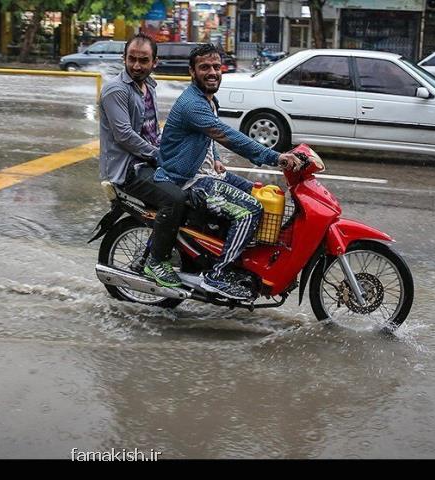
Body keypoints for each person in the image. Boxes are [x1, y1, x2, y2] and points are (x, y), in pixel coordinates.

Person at [156, 43, 302, 300]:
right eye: (204, 67)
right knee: (249, 210)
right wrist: (274, 157)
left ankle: (239, 260)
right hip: (189, 181)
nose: (212, 72)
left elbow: (207, 136)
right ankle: (218, 275)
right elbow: (227, 136)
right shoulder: (192, 103)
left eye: (215, 66)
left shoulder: (209, 100)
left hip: (207, 173)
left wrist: (214, 158)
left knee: (261, 195)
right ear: (192, 71)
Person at [99, 33, 188, 288]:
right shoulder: (116, 90)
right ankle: (156, 262)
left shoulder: (149, 85)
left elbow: (151, 130)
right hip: (128, 169)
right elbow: (124, 135)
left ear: (154, 62)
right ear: (123, 58)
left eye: (143, 60)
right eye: (132, 59)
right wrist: (158, 156)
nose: (136, 65)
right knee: (174, 199)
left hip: (147, 161)